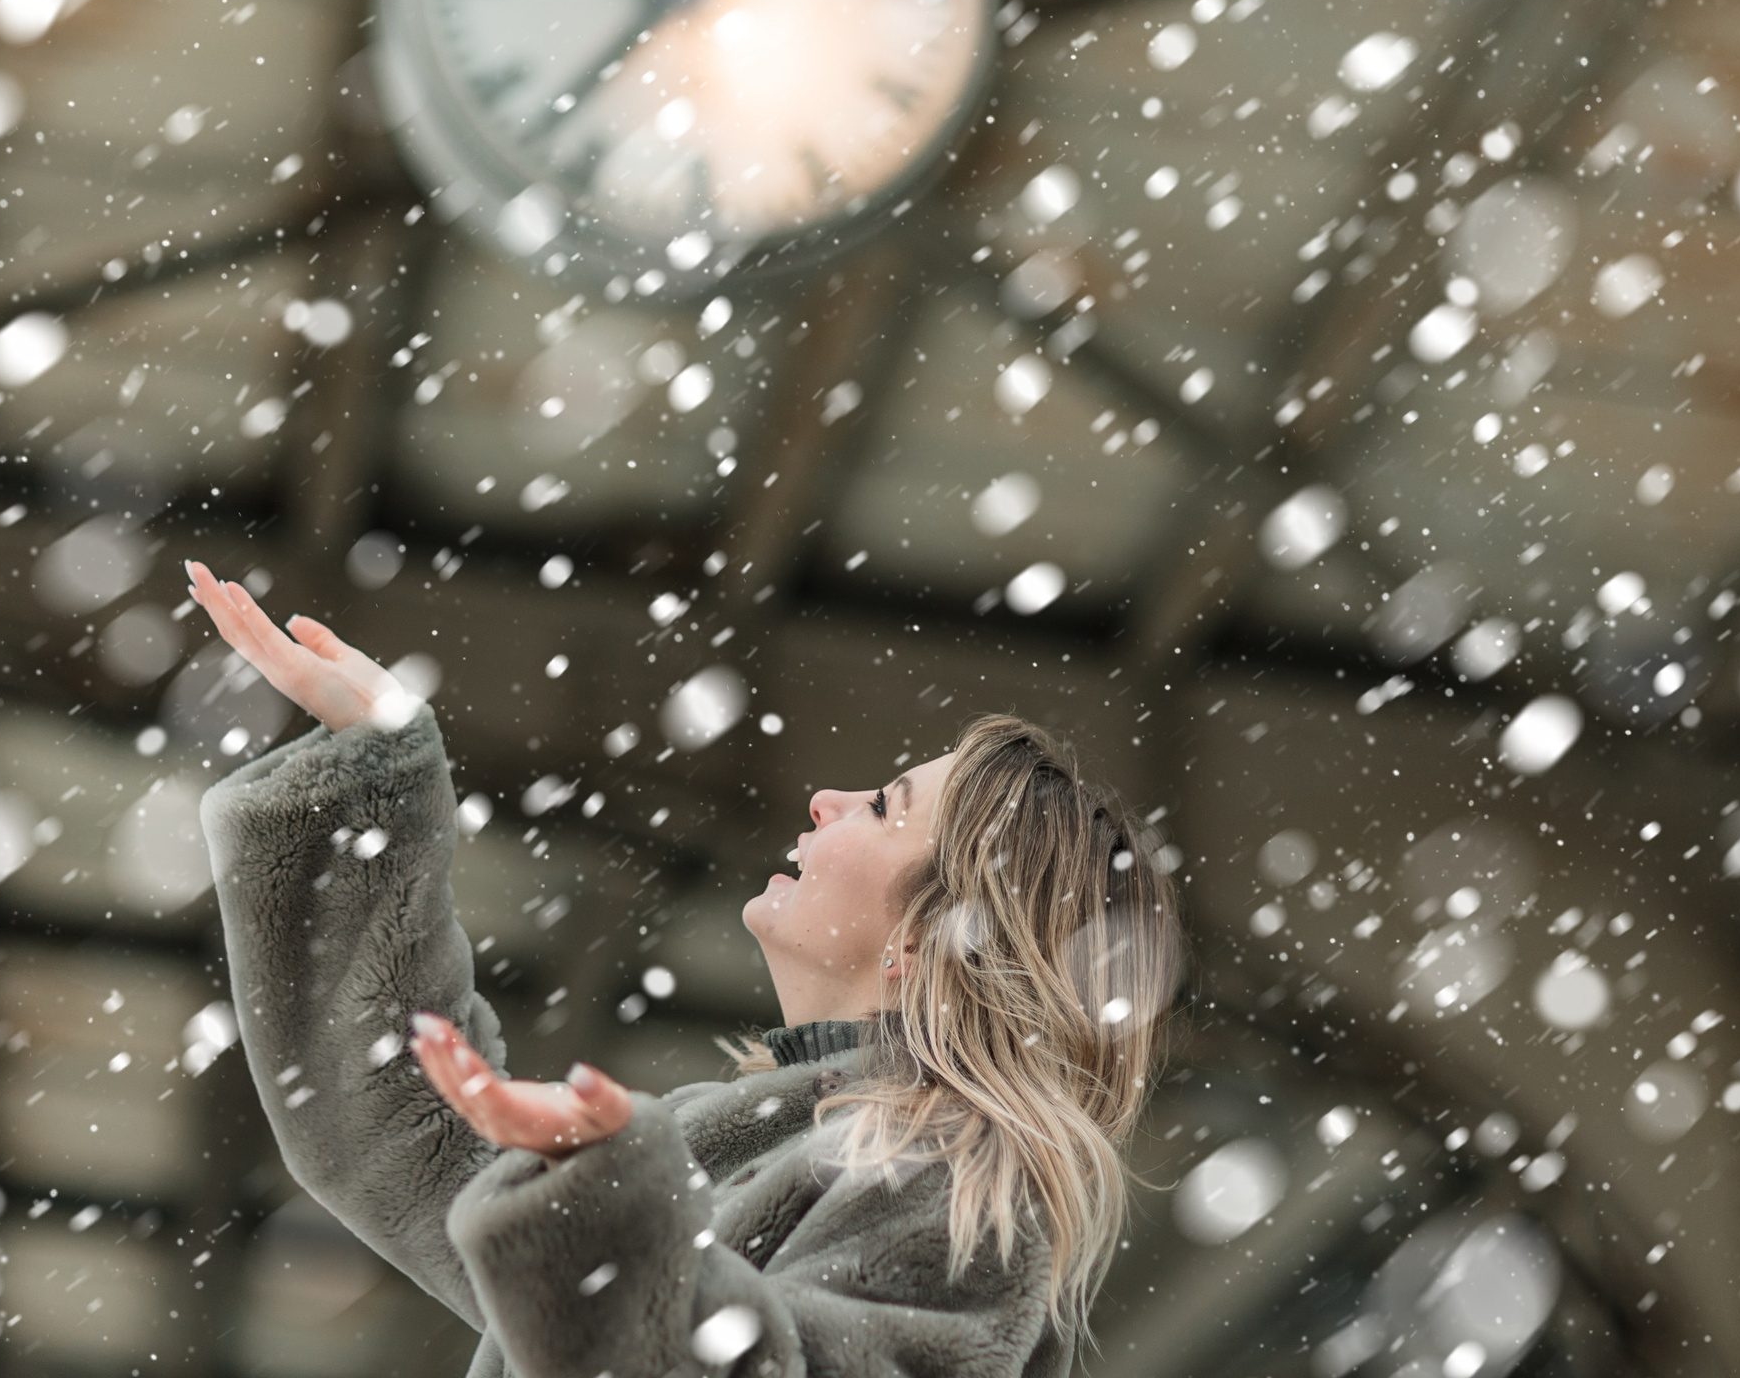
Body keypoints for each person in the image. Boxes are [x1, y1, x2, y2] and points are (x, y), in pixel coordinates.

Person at [184, 559, 1186, 1378]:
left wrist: (610, 1201)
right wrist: (369, 776)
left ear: (930, 939)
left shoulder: (958, 1182)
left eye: (882, 806)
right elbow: (404, 1136)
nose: (826, 798)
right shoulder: (742, 1142)